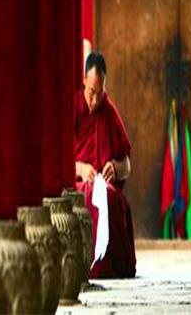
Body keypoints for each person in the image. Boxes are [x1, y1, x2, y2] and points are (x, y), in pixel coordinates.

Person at [74, 52, 136, 278]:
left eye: (100, 93)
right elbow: (55, 161)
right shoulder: (73, 108)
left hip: (103, 184)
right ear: (83, 82)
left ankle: (108, 267)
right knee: (85, 196)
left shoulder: (109, 111)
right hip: (76, 183)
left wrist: (115, 167)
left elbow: (127, 165)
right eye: (91, 92)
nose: (95, 101)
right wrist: (79, 168)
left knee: (109, 197)